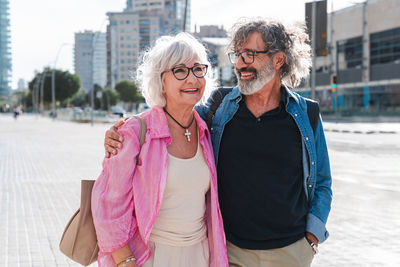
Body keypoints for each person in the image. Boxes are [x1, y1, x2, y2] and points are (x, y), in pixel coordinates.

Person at [105, 18, 332, 267]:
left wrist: (312, 236)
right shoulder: (218, 107)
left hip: (290, 253)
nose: (240, 63)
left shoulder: (306, 114)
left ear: (278, 60)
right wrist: (125, 130)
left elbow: (321, 181)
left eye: (250, 54)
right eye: (237, 54)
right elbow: (173, 117)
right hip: (229, 252)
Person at [92, 32, 228, 267]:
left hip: (201, 255)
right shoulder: (136, 130)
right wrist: (124, 260)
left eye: (198, 69)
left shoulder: (207, 128)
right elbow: (108, 202)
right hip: (151, 257)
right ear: (161, 81)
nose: (192, 79)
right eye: (179, 70)